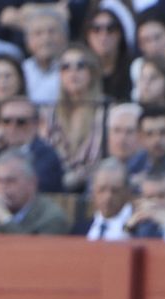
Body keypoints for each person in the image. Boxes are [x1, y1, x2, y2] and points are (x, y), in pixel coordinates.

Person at [0, 95, 65, 191]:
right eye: (6, 121)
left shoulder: (46, 155)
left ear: (36, 124)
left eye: (21, 122)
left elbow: (28, 187)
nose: (12, 127)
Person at [43, 43, 105, 192]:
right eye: (66, 67)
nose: (73, 72)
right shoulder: (50, 113)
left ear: (92, 72)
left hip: (92, 188)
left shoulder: (104, 110)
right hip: (56, 187)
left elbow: (99, 160)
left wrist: (77, 177)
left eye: (80, 66)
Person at [0, 148, 69, 234]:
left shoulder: (52, 218)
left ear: (32, 183)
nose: (3, 187)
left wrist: (6, 220)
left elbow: (32, 252)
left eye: (10, 181)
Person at [85, 1, 135, 102]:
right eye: (96, 29)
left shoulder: (134, 69)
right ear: (88, 35)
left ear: (120, 34)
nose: (104, 35)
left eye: (110, 28)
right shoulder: (80, 68)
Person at [21, 7, 67, 106]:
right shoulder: (21, 70)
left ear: (64, 37)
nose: (46, 38)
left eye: (52, 32)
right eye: (38, 33)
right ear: (27, 41)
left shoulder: (74, 68)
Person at [81, 156, 132, 240]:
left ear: (127, 192)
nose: (108, 196)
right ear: (93, 192)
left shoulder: (139, 229)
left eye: (115, 191)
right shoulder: (81, 228)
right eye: (102, 190)